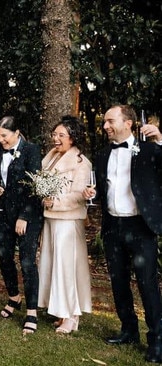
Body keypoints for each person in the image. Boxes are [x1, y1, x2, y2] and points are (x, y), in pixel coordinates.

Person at [83, 105, 162, 363]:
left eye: (110, 121)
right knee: (118, 283)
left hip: (141, 227)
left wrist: (160, 140)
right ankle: (128, 330)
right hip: (113, 226)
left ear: (128, 123)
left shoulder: (149, 149)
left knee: (147, 284)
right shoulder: (103, 153)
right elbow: (103, 187)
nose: (105, 126)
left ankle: (157, 341)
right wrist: (92, 195)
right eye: (104, 122)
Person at [0, 116, 44, 334]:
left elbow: (34, 185)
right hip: (3, 213)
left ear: (17, 133)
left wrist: (24, 216)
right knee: (4, 257)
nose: (1, 140)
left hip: (27, 215)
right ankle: (14, 296)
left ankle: (32, 311)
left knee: (27, 262)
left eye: (5, 135)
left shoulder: (31, 150)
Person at [37, 116, 92, 333]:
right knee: (53, 264)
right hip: (51, 219)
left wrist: (56, 202)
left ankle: (72, 315)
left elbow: (79, 194)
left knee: (68, 266)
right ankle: (60, 311)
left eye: (61, 135)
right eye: (55, 134)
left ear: (73, 138)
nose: (56, 139)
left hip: (69, 221)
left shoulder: (81, 162)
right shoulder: (50, 157)